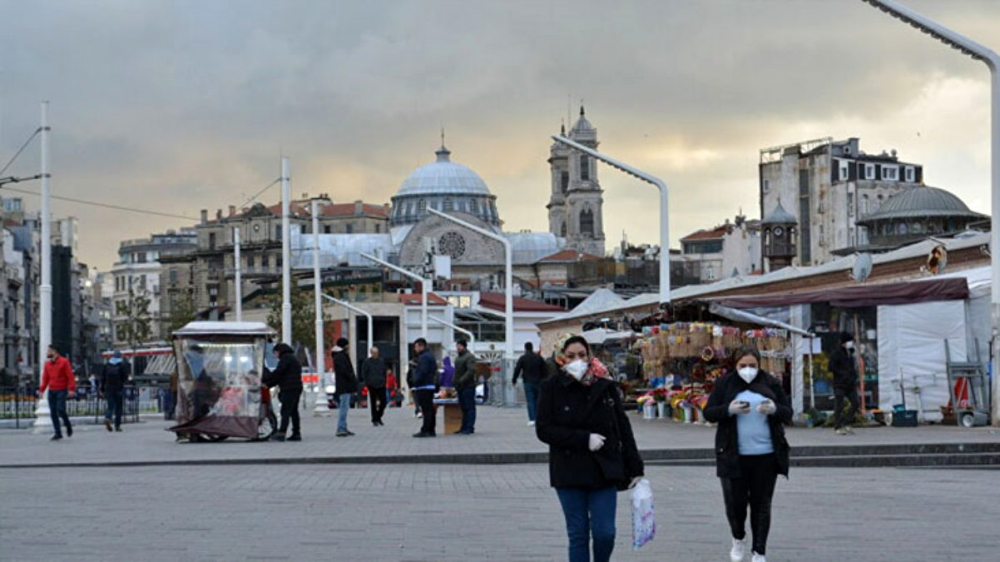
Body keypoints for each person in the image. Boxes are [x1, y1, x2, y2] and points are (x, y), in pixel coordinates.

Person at [536, 336, 644, 562]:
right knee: (578, 534)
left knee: (605, 533)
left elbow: (622, 426)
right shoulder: (551, 387)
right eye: (571, 355)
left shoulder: (604, 385)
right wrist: (583, 439)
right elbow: (544, 430)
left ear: (590, 356)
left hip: (604, 468)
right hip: (568, 470)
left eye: (582, 355)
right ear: (561, 358)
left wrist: (635, 466)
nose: (578, 360)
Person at [703, 345, 792, 562]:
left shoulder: (770, 382)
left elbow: (787, 411)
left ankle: (759, 551)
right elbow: (709, 413)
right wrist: (728, 410)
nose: (748, 370)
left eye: (752, 366)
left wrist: (774, 409)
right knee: (735, 504)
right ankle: (738, 537)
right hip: (733, 455)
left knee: (762, 505)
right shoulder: (726, 383)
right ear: (735, 365)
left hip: (766, 454)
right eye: (743, 366)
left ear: (759, 365)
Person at [264, 343, 303, 442]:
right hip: (296, 387)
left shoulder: (285, 359)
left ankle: (282, 433)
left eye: (275, 353)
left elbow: (279, 373)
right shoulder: (292, 358)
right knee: (293, 411)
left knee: (285, 411)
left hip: (289, 388)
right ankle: (296, 433)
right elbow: (281, 375)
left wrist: (267, 383)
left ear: (279, 351)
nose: (275, 356)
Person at [39, 346, 76, 441]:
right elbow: (45, 378)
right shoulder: (47, 364)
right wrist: (42, 390)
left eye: (49, 351)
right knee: (53, 412)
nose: (47, 352)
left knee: (61, 409)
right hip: (52, 390)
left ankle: (67, 424)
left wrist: (71, 389)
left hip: (62, 389)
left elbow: (70, 376)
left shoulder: (64, 362)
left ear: (54, 352)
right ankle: (57, 432)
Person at [828, 332, 860, 435]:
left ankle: (846, 422)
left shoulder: (851, 353)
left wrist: (854, 377)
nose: (851, 343)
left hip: (850, 384)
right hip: (839, 384)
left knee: (855, 403)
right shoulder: (836, 353)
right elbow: (831, 367)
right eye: (849, 341)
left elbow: (852, 367)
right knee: (839, 405)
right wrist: (842, 374)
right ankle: (837, 426)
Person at [512, 341, 548, 427]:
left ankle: (532, 419)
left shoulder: (523, 358)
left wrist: (514, 380)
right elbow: (544, 369)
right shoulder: (539, 358)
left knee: (530, 400)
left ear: (525, 348)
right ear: (532, 348)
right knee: (538, 400)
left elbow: (517, 369)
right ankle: (539, 418)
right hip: (539, 381)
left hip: (528, 381)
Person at [411, 338, 438, 438]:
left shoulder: (424, 357)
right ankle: (431, 429)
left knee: (426, 409)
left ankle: (426, 429)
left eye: (416, 347)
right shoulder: (430, 356)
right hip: (429, 385)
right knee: (429, 408)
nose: (415, 349)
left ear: (421, 346)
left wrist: (415, 378)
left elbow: (423, 372)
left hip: (424, 386)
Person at [331, 338, 358, 437]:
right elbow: (345, 371)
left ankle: (343, 427)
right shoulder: (341, 356)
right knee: (344, 407)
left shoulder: (338, 356)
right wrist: (352, 379)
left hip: (343, 385)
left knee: (345, 407)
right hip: (344, 386)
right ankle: (341, 428)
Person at [101, 350, 131, 432]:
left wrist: (102, 389)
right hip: (118, 388)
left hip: (108, 389)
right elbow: (125, 377)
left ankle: (108, 417)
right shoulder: (122, 365)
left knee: (110, 406)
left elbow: (103, 378)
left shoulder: (107, 365)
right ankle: (117, 426)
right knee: (119, 407)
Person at [453, 339, 477, 435]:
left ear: (464, 346)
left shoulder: (469, 357)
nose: (458, 348)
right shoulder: (458, 358)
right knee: (463, 408)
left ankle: (469, 427)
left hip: (468, 386)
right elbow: (457, 372)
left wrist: (461, 380)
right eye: (457, 346)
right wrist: (454, 382)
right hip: (460, 386)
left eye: (460, 346)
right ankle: (463, 426)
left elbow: (471, 371)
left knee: (469, 407)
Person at [360, 346, 388, 427]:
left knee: (383, 402)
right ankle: (374, 419)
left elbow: (384, 371)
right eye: (374, 353)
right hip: (372, 385)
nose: (375, 354)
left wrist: (384, 380)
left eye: (377, 353)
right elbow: (364, 373)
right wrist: (367, 383)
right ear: (371, 353)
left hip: (381, 384)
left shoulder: (381, 361)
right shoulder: (367, 362)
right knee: (373, 403)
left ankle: (378, 416)